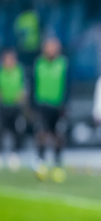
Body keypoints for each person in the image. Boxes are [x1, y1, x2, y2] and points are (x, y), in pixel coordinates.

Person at [33, 38, 69, 182]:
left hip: (58, 105)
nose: (51, 50)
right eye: (49, 47)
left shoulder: (63, 63)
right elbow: (33, 83)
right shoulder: (38, 64)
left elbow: (68, 84)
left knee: (58, 135)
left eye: (54, 47)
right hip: (42, 104)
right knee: (41, 133)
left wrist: (66, 104)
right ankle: (40, 161)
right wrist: (33, 105)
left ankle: (57, 163)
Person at [0, 49, 26, 170]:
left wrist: (21, 97)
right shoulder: (1, 72)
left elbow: (24, 88)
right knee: (1, 130)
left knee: (17, 130)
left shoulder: (20, 72)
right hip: (3, 105)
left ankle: (14, 154)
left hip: (16, 106)